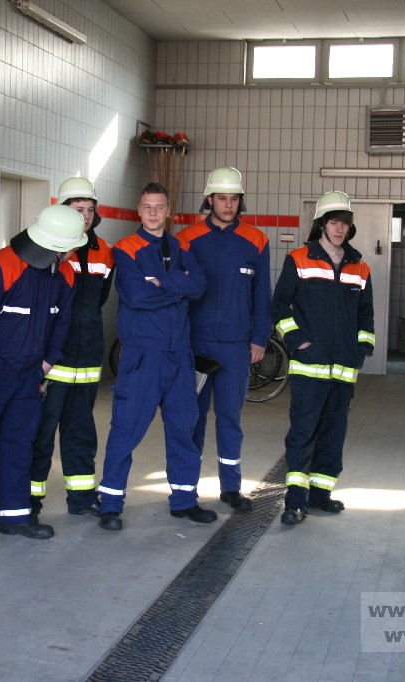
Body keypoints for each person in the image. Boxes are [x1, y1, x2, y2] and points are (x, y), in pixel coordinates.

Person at [0, 204, 84, 540]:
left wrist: (47, 364)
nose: (73, 252)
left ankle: (14, 517)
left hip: (30, 376)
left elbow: (62, 322)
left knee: (19, 447)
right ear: (56, 246)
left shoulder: (65, 274)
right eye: (71, 246)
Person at [97, 182, 215, 531]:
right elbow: (136, 296)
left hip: (180, 354)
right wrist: (178, 287)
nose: (153, 212)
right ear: (139, 210)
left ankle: (184, 500)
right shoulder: (126, 249)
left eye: (159, 206)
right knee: (126, 428)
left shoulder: (183, 246)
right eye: (147, 206)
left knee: (184, 428)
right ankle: (110, 504)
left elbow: (199, 286)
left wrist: (161, 282)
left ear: (168, 211)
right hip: (143, 354)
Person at [270, 191, 374, 525]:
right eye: (333, 222)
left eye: (344, 223)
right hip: (309, 368)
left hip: (344, 370)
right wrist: (296, 341)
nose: (339, 229)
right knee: (302, 435)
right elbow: (279, 305)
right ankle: (295, 501)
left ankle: (320, 495)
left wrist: (362, 349)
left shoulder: (360, 266)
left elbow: (366, 314)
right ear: (321, 224)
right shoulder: (299, 259)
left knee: (333, 435)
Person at [178, 167, 272, 512]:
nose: (228, 205)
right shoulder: (187, 238)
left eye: (234, 199)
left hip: (236, 345)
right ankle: (187, 488)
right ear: (210, 200)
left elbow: (263, 294)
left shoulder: (256, 240)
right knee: (193, 418)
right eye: (222, 198)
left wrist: (260, 338)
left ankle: (231, 488)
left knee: (230, 418)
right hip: (196, 344)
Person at [29, 177, 115, 518]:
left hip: (88, 359)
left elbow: (100, 299)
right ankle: (28, 501)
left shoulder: (104, 250)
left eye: (91, 210)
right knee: (40, 432)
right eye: (79, 209)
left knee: (81, 431)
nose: (86, 216)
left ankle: (81, 498)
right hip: (53, 360)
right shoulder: (48, 246)